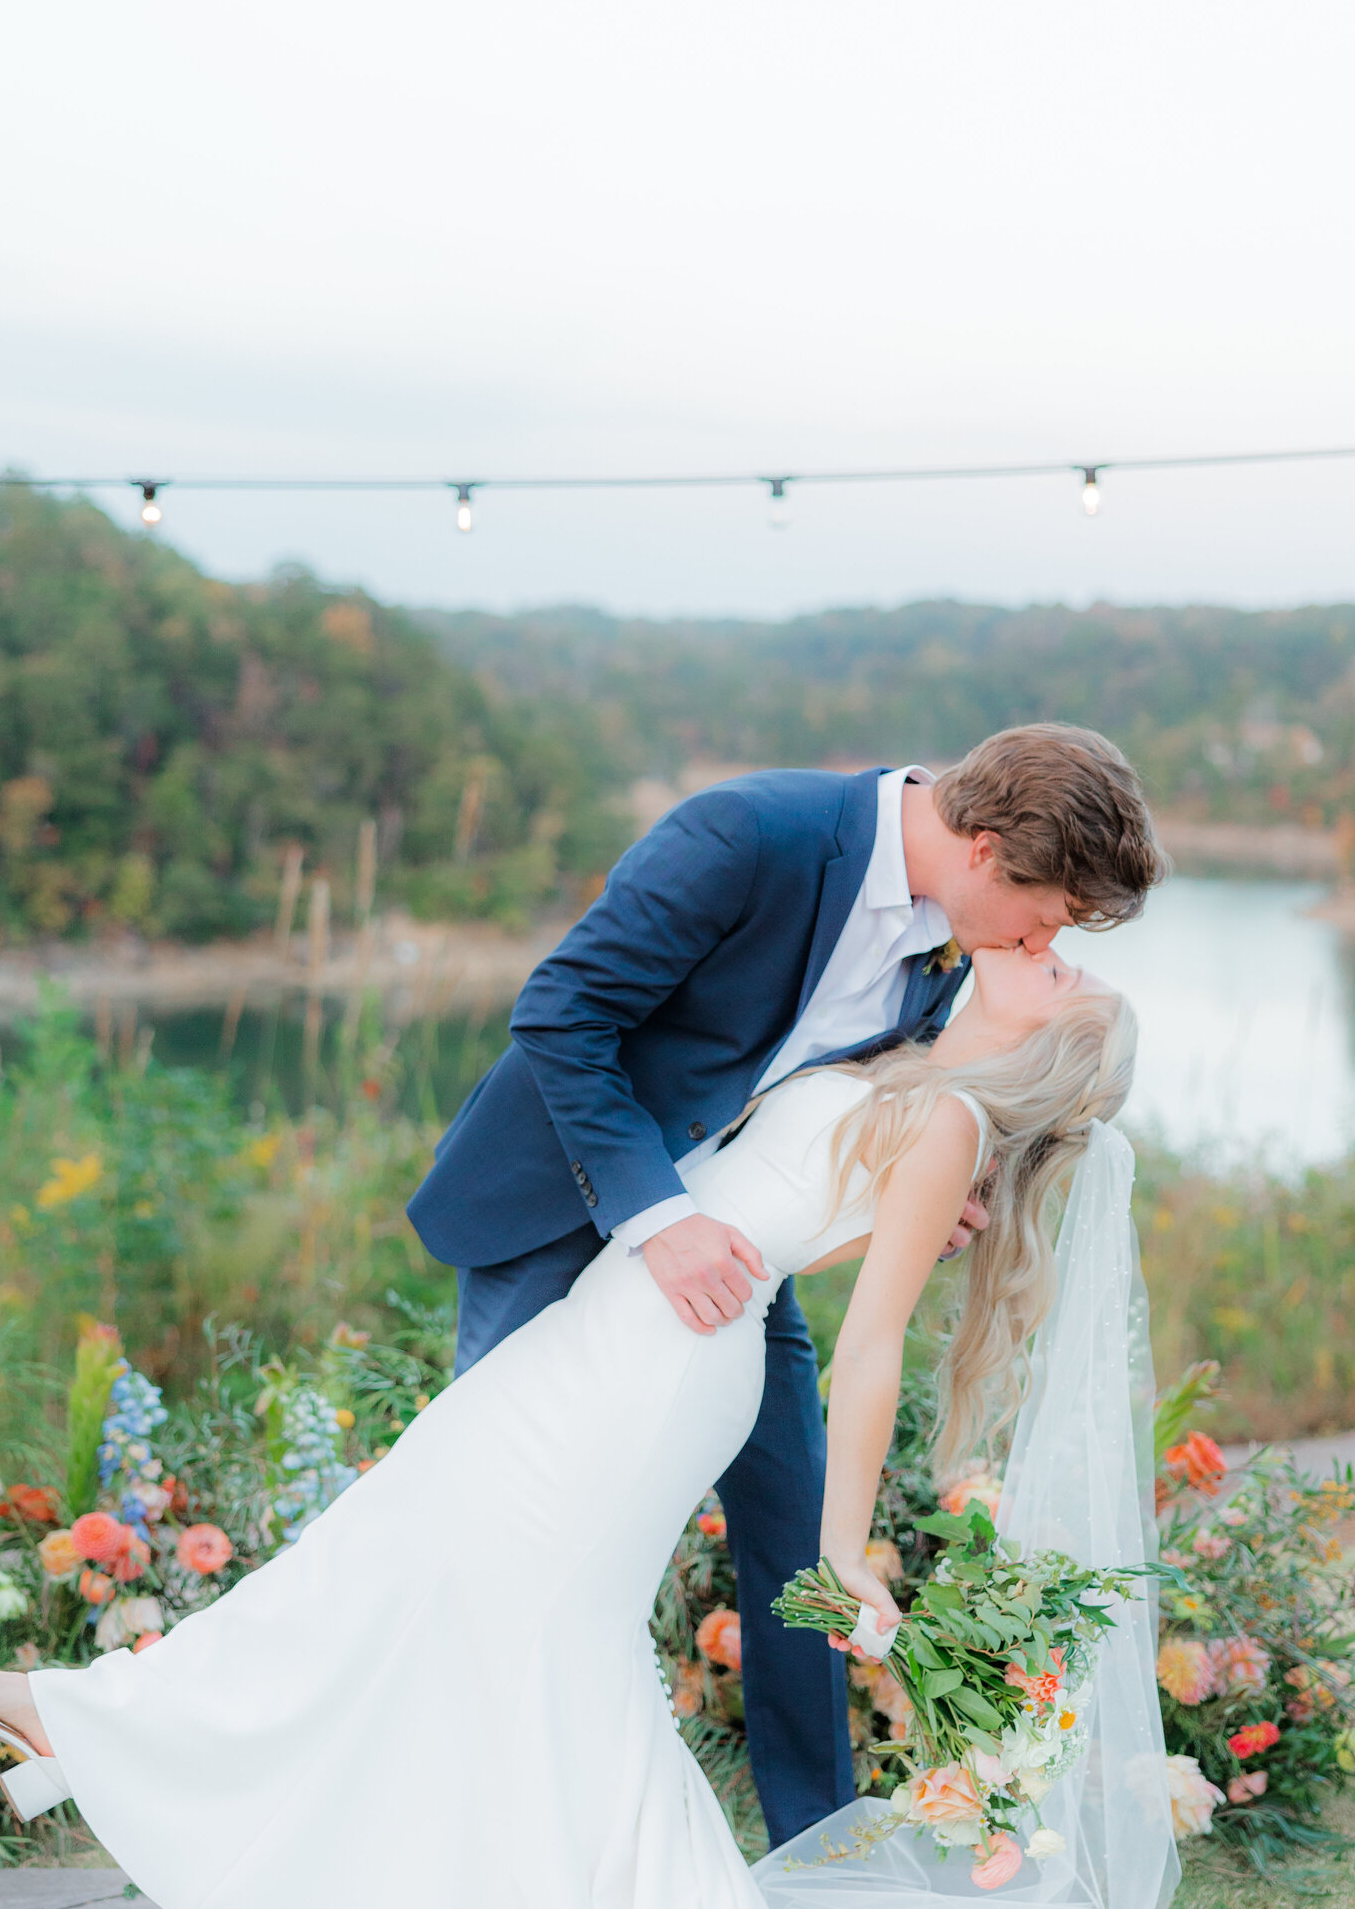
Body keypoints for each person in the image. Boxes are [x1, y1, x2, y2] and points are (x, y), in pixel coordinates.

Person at [0, 941, 1269, 1909]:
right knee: (397, 1559)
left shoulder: (952, 1123)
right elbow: (773, 1176)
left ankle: (98, 1725)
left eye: (1061, 972)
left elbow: (866, 1354)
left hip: (660, 1372)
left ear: (1059, 1039)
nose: (1040, 951)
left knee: (538, 1639)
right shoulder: (912, 1068)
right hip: (615, 1329)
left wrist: (845, 1542)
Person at [407, 723, 1165, 1843]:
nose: (1041, 936)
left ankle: (820, 1837)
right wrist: (657, 1219)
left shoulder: (949, 939)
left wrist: (889, 1216)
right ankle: (453, 1784)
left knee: (801, 1523)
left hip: (734, 1282)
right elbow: (563, 1015)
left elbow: (826, 1123)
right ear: (984, 847)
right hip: (570, 1213)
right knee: (490, 1510)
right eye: (1045, 916)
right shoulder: (749, 834)